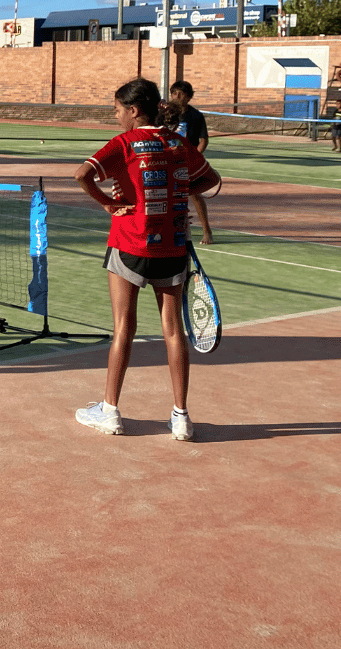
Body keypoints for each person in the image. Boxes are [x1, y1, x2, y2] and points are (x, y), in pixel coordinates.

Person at [73, 78, 221, 442]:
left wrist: (109, 203)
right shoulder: (178, 142)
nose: (116, 116)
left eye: (117, 110)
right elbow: (211, 181)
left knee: (124, 328)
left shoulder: (124, 143)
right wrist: (175, 193)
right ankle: (181, 417)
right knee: (174, 331)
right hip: (172, 246)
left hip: (130, 244)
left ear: (134, 110)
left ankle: (109, 411)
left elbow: (81, 175)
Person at [167, 81, 212, 244]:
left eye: (181, 93)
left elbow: (203, 141)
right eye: (174, 93)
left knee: (194, 194)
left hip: (186, 162)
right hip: (167, 160)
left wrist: (195, 158)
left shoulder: (196, 116)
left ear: (189, 97)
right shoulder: (166, 114)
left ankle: (207, 231)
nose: (176, 97)